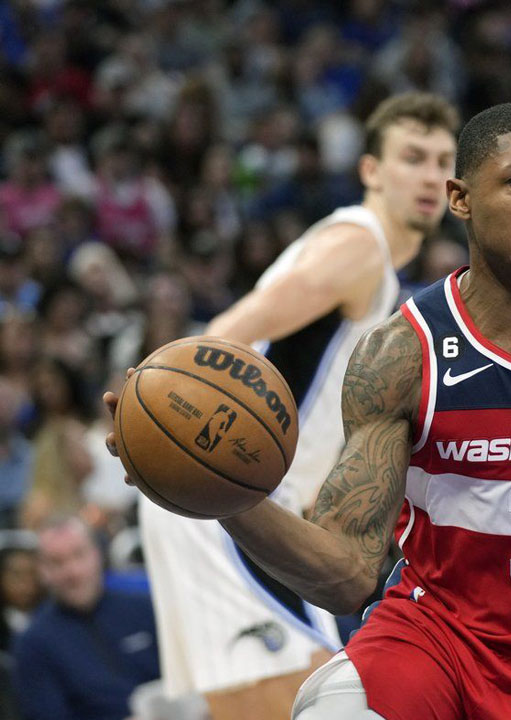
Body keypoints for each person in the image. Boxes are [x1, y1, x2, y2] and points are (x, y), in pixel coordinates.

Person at [107, 102, 511, 719]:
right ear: (461, 201)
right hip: (434, 646)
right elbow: (348, 574)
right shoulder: (401, 355)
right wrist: (227, 496)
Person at [134, 91, 460, 718]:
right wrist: (152, 397)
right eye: (412, 156)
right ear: (371, 170)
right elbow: (229, 331)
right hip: (224, 493)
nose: (429, 174)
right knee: (308, 695)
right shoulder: (357, 248)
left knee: (290, 696)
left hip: (252, 502)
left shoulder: (372, 262)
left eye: (442, 160)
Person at [13, 515, 160, 720]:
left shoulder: (144, 607)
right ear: (42, 571)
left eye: (78, 555)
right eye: (57, 562)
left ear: (97, 554)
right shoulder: (33, 644)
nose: (72, 572)